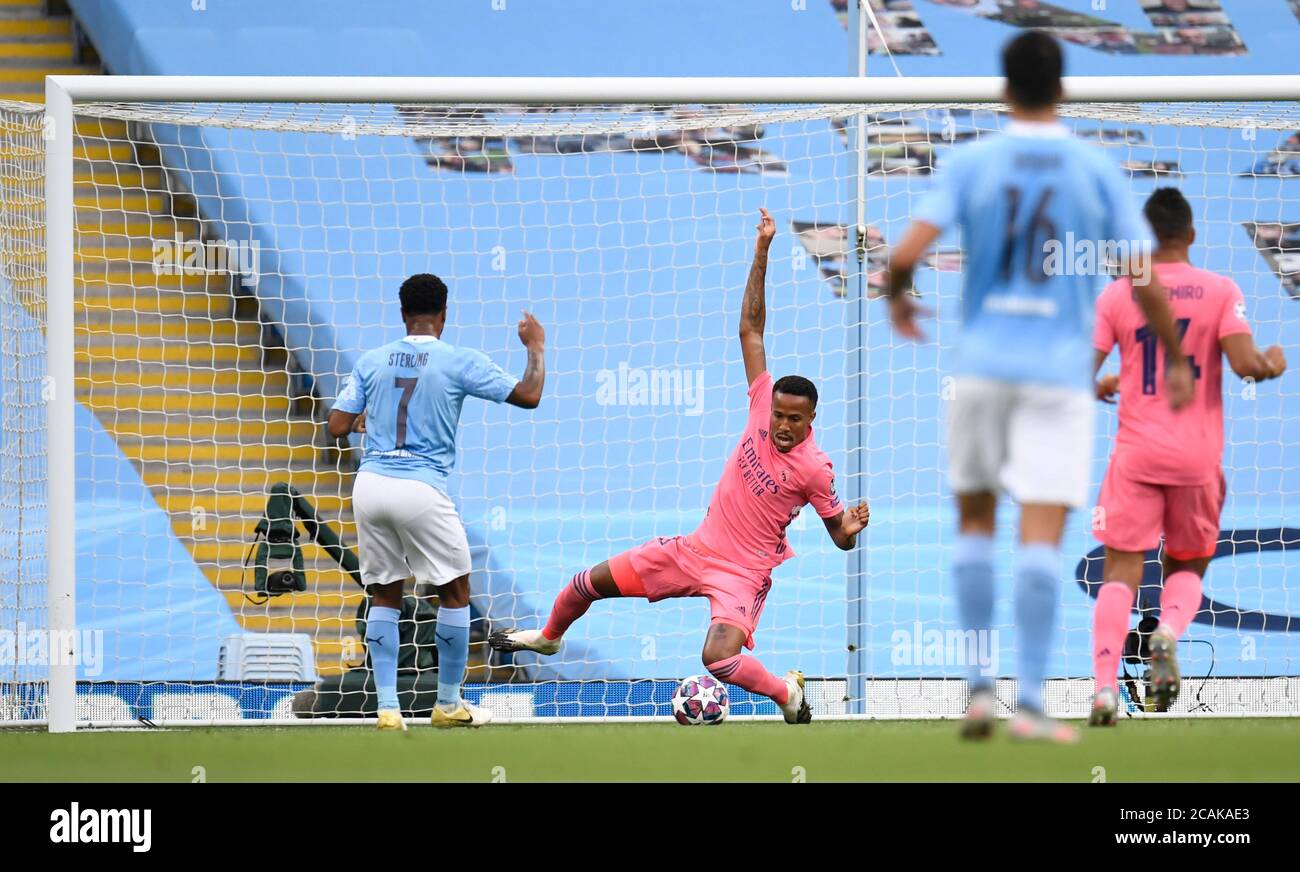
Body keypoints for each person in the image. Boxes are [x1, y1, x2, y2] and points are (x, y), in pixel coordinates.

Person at [886, 31, 1193, 741]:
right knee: (1040, 535)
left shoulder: (972, 163)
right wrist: (1173, 355)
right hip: (1057, 376)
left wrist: (900, 296)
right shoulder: (1093, 168)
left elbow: (903, 255)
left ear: (1003, 88)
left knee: (972, 523)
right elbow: (1141, 277)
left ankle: (975, 691)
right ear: (1062, 88)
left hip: (985, 367)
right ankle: (1027, 701)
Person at [490, 209, 870, 723]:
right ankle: (550, 638)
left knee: (718, 658)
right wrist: (761, 253)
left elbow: (838, 536)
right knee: (586, 583)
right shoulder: (761, 402)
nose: (781, 424)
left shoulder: (815, 469)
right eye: (778, 414)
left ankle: (787, 695)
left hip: (743, 573)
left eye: (793, 419)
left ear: (811, 419)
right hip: (696, 550)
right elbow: (751, 330)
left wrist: (849, 525)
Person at [1089, 188, 1287, 725]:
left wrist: (1108, 379)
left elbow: (1082, 370)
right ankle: (1167, 635)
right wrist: (1272, 361)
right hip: (1197, 459)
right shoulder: (1220, 290)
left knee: (1120, 573)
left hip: (1135, 455)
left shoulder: (1119, 294)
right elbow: (1246, 365)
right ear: (1192, 236)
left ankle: (1106, 688)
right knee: (1185, 565)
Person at [327, 273, 546, 730]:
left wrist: (369, 420)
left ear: (402, 313)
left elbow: (337, 425)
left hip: (369, 487)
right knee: (456, 591)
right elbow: (529, 395)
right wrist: (535, 347)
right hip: (420, 488)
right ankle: (447, 704)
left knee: (385, 593)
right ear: (444, 316)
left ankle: (387, 709)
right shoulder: (457, 360)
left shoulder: (372, 360)